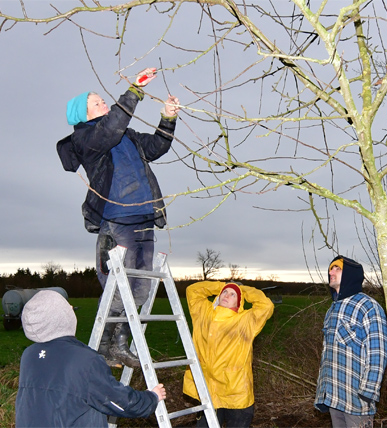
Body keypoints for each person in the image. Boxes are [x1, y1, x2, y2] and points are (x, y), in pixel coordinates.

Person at [56, 67, 181, 367]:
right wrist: (134, 90)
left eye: (103, 101)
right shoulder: (87, 139)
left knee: (139, 290)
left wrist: (168, 118)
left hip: (144, 220)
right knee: (117, 288)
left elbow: (155, 147)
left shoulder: (125, 134)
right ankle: (102, 349)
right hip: (117, 223)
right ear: (82, 115)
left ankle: (120, 346)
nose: (104, 104)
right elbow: (111, 126)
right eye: (97, 102)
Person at [15, 290, 167, 427]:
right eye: (67, 307)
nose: (71, 308)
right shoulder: (85, 360)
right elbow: (120, 403)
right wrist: (151, 397)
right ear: (60, 318)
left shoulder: (29, 356)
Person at [182, 281, 275, 427]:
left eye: (233, 295)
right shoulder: (203, 312)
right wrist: (222, 285)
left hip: (236, 394)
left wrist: (242, 289)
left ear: (239, 301)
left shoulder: (245, 321)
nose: (227, 295)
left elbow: (266, 306)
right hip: (208, 391)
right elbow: (192, 290)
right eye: (224, 292)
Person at [314, 256, 387, 428]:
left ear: (350, 274)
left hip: (357, 399)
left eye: (337, 268)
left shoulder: (368, 306)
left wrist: (368, 392)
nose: (330, 272)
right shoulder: (331, 310)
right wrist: (323, 390)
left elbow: (378, 353)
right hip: (334, 396)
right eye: (330, 268)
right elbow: (327, 354)